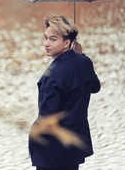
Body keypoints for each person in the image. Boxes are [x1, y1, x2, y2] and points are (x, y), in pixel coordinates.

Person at [29, 15, 101, 170]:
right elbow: (95, 87)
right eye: (45, 38)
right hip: (74, 143)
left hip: (54, 149)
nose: (46, 44)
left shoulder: (54, 75)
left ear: (67, 43)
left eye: (53, 39)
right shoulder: (84, 62)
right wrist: (80, 55)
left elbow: (47, 116)